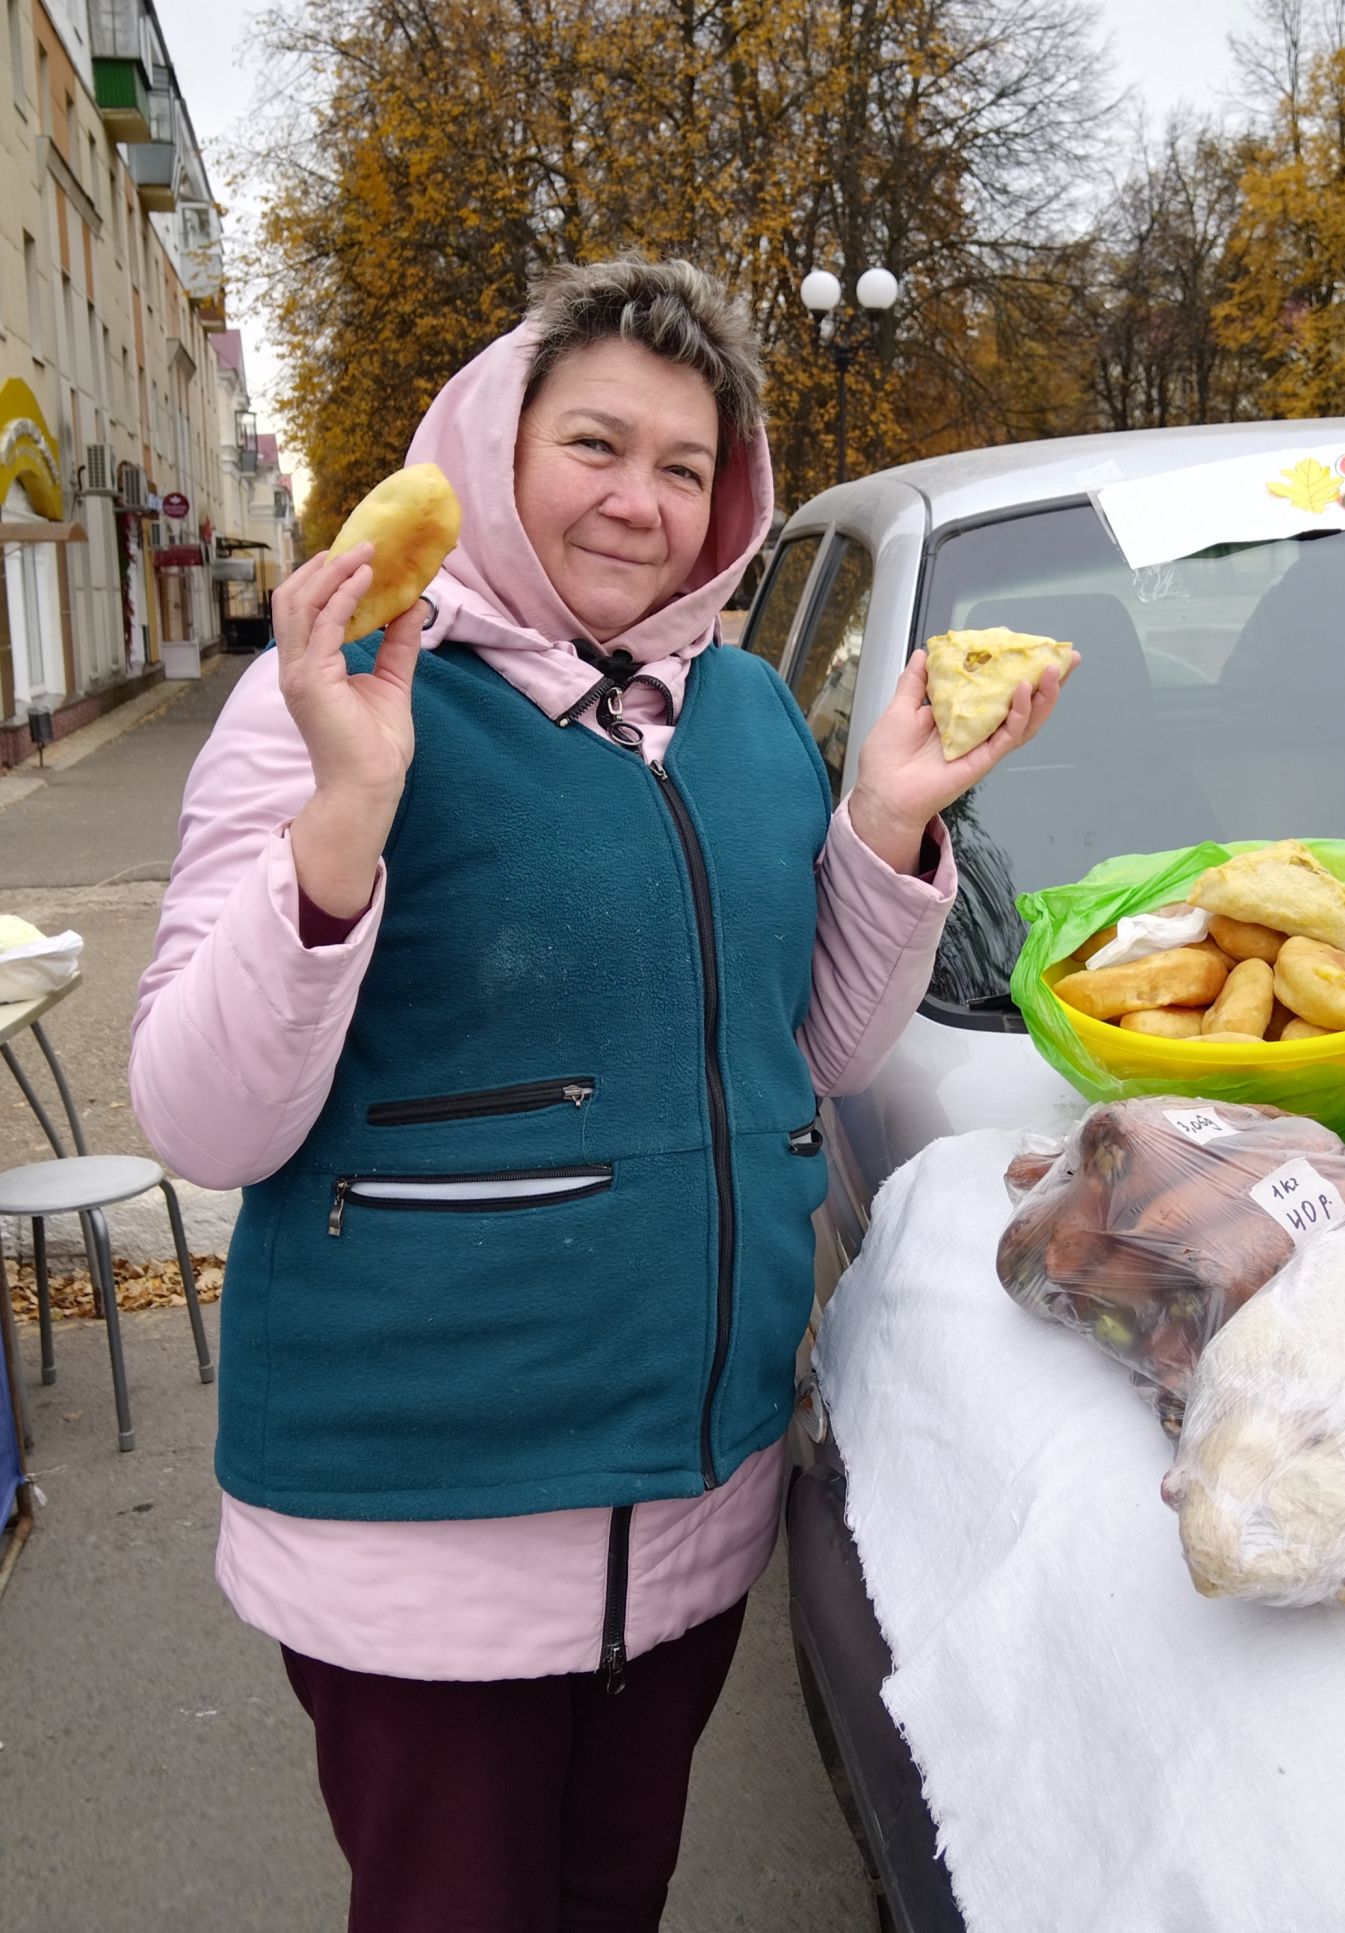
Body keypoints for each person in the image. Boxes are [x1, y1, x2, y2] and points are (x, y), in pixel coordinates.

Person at [129, 255, 1070, 1931]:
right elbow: (204, 1123)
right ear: (495, 449)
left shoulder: (751, 714)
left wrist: (885, 828)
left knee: (616, 1899)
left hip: (688, 1507)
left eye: (686, 466)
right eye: (596, 445)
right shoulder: (344, 699)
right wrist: (345, 817)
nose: (641, 502)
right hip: (430, 1523)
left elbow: (817, 1055)